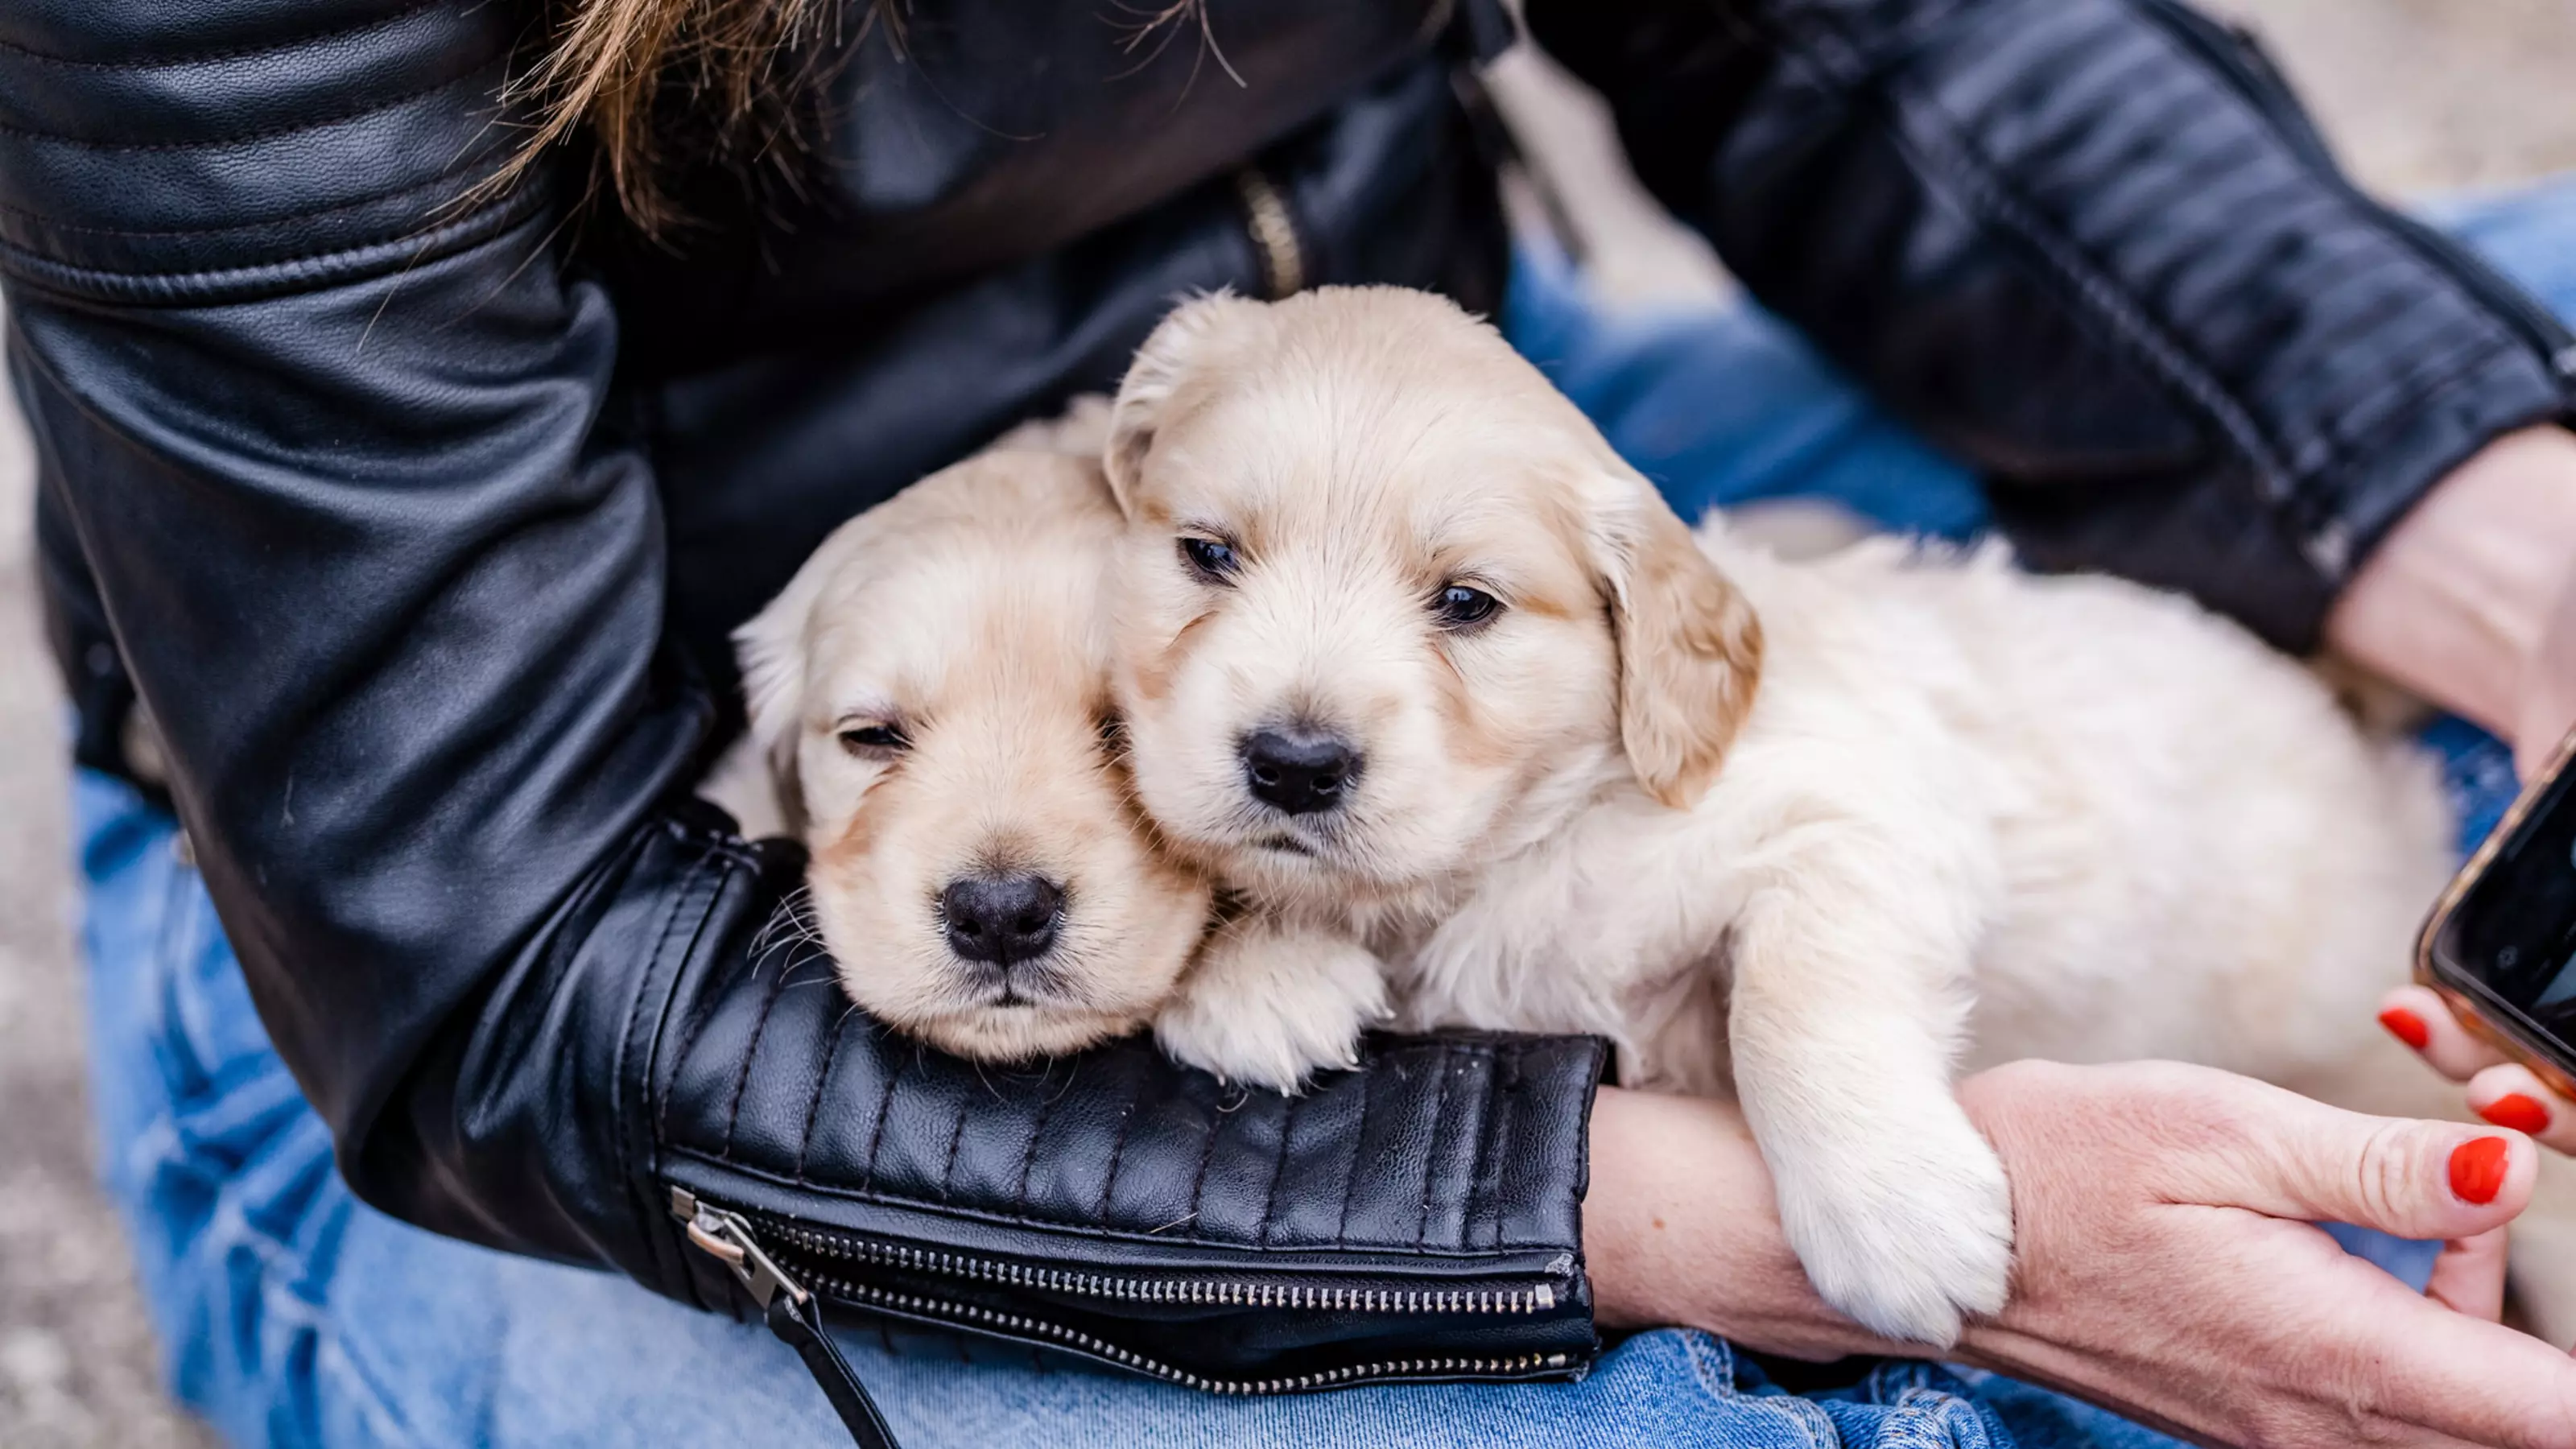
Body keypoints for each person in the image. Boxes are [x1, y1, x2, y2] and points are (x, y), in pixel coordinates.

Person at [10, 0, 2576, 1443]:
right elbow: (502, 973)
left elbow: (1855, 33)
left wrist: (2472, 514)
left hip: (1413, 434)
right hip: (619, 890)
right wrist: (1760, 1213)